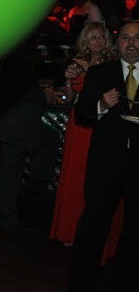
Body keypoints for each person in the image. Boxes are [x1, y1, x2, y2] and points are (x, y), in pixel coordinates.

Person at [68, 22, 139, 292]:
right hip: (106, 163)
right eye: (125, 38)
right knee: (93, 223)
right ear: (117, 42)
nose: (131, 43)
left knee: (135, 227)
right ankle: (79, 278)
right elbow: (82, 114)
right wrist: (101, 104)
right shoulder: (100, 72)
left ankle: (127, 279)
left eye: (137, 38)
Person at [50, 23, 123, 261]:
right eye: (93, 37)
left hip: (102, 124)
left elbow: (109, 91)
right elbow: (71, 97)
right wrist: (69, 80)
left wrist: (87, 69)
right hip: (79, 124)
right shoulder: (78, 61)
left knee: (100, 179)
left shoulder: (114, 63)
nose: (98, 41)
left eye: (101, 37)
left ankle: (102, 239)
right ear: (85, 40)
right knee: (77, 177)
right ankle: (72, 232)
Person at [0, 35, 61, 232]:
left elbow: (21, 89)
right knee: (9, 178)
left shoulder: (13, 58)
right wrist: (44, 94)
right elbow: (24, 91)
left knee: (49, 138)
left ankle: (34, 184)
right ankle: (6, 221)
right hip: (14, 126)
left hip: (18, 125)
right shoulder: (16, 60)